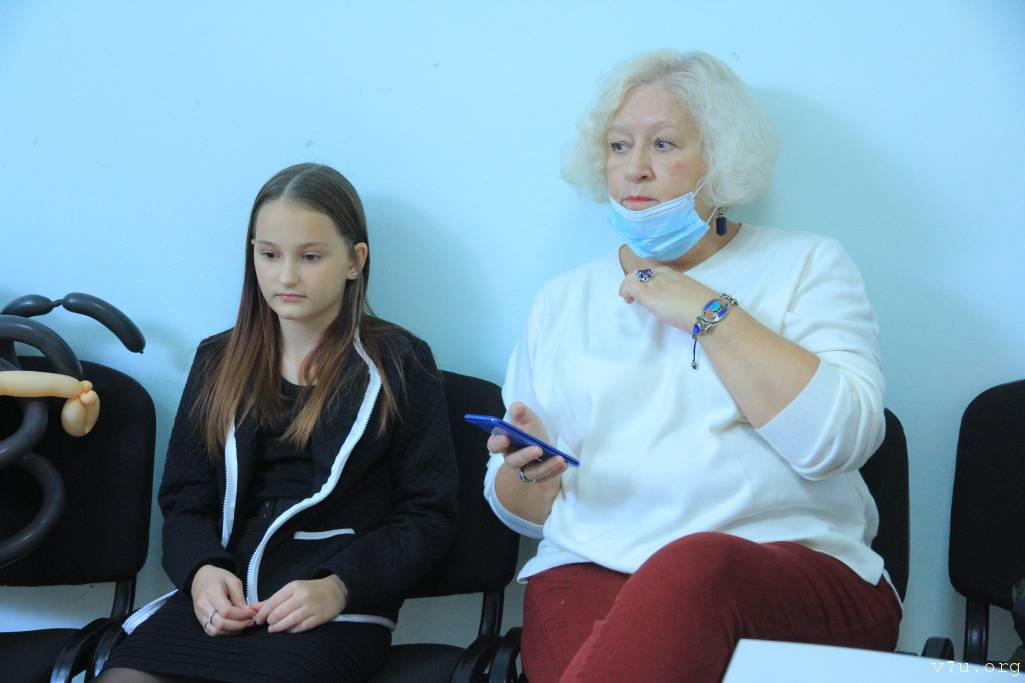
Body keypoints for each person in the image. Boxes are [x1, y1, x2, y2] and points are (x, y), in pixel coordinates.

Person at [483, 50, 901, 683]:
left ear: (722, 158)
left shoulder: (808, 265)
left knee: (691, 566)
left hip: (788, 570)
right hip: (594, 568)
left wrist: (710, 313)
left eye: (664, 144)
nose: (635, 169)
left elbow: (836, 444)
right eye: (618, 146)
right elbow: (521, 513)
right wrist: (528, 474)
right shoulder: (561, 299)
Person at [100, 163, 458, 682]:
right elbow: (184, 499)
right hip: (224, 601)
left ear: (355, 261)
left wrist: (339, 586)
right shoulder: (217, 360)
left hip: (329, 607)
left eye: (310, 257)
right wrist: (201, 572)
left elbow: (428, 515)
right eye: (269, 255)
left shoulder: (400, 362)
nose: (286, 276)